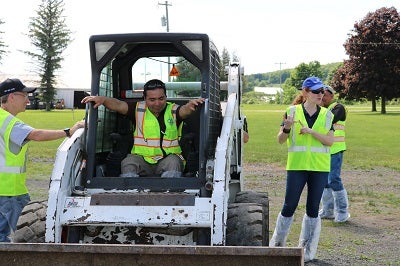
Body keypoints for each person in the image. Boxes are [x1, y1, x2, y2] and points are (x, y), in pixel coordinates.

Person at [0, 78, 85, 242]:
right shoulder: (8, 122)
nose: (27, 100)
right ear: (11, 97)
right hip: (7, 191)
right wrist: (69, 131)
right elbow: (36, 135)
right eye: (24, 95)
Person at [81, 79, 205, 178]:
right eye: (152, 99)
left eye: (161, 98)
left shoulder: (173, 110)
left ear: (166, 97)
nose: (157, 103)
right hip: (141, 160)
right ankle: (129, 195)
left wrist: (190, 105)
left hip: (167, 159)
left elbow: (184, 111)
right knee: (128, 163)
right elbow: (118, 105)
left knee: (174, 162)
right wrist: (103, 99)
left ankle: (169, 195)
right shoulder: (137, 109)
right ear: (144, 99)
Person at [270, 76, 334, 262]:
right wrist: (287, 128)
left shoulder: (328, 115)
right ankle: (277, 247)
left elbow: (330, 142)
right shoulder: (291, 111)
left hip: (319, 168)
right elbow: (280, 140)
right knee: (289, 205)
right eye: (316, 91)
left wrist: (312, 132)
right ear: (305, 92)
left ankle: (306, 252)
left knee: (313, 208)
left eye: (322, 91)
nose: (320, 94)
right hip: (297, 167)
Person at [318, 85, 350, 223]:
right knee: (324, 181)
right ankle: (328, 210)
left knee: (334, 179)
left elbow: (328, 120)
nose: (322, 97)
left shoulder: (338, 108)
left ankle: (343, 211)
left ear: (332, 96)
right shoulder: (323, 109)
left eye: (324, 95)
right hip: (324, 150)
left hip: (336, 149)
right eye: (320, 94)